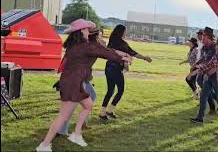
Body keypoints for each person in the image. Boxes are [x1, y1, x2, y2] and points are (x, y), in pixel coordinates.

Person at [36, 19, 131, 152]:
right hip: (72, 83)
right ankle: (44, 145)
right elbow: (105, 53)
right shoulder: (85, 46)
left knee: (88, 105)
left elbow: (103, 50)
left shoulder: (75, 45)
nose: (88, 31)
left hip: (73, 81)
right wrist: (123, 58)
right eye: (86, 29)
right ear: (81, 31)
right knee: (63, 116)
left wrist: (121, 56)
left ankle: (76, 134)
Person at [99, 24, 152, 120]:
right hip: (116, 69)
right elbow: (133, 53)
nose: (126, 33)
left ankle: (103, 112)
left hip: (109, 67)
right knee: (120, 90)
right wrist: (145, 58)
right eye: (125, 31)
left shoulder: (112, 41)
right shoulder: (122, 43)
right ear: (121, 32)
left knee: (110, 90)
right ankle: (110, 110)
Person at [190, 27, 218, 123]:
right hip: (207, 75)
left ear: (210, 38)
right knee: (203, 95)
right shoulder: (205, 47)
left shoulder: (215, 47)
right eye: (202, 38)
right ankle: (200, 118)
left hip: (216, 77)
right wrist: (195, 64)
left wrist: (196, 70)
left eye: (204, 38)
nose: (202, 40)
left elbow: (211, 63)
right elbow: (203, 58)